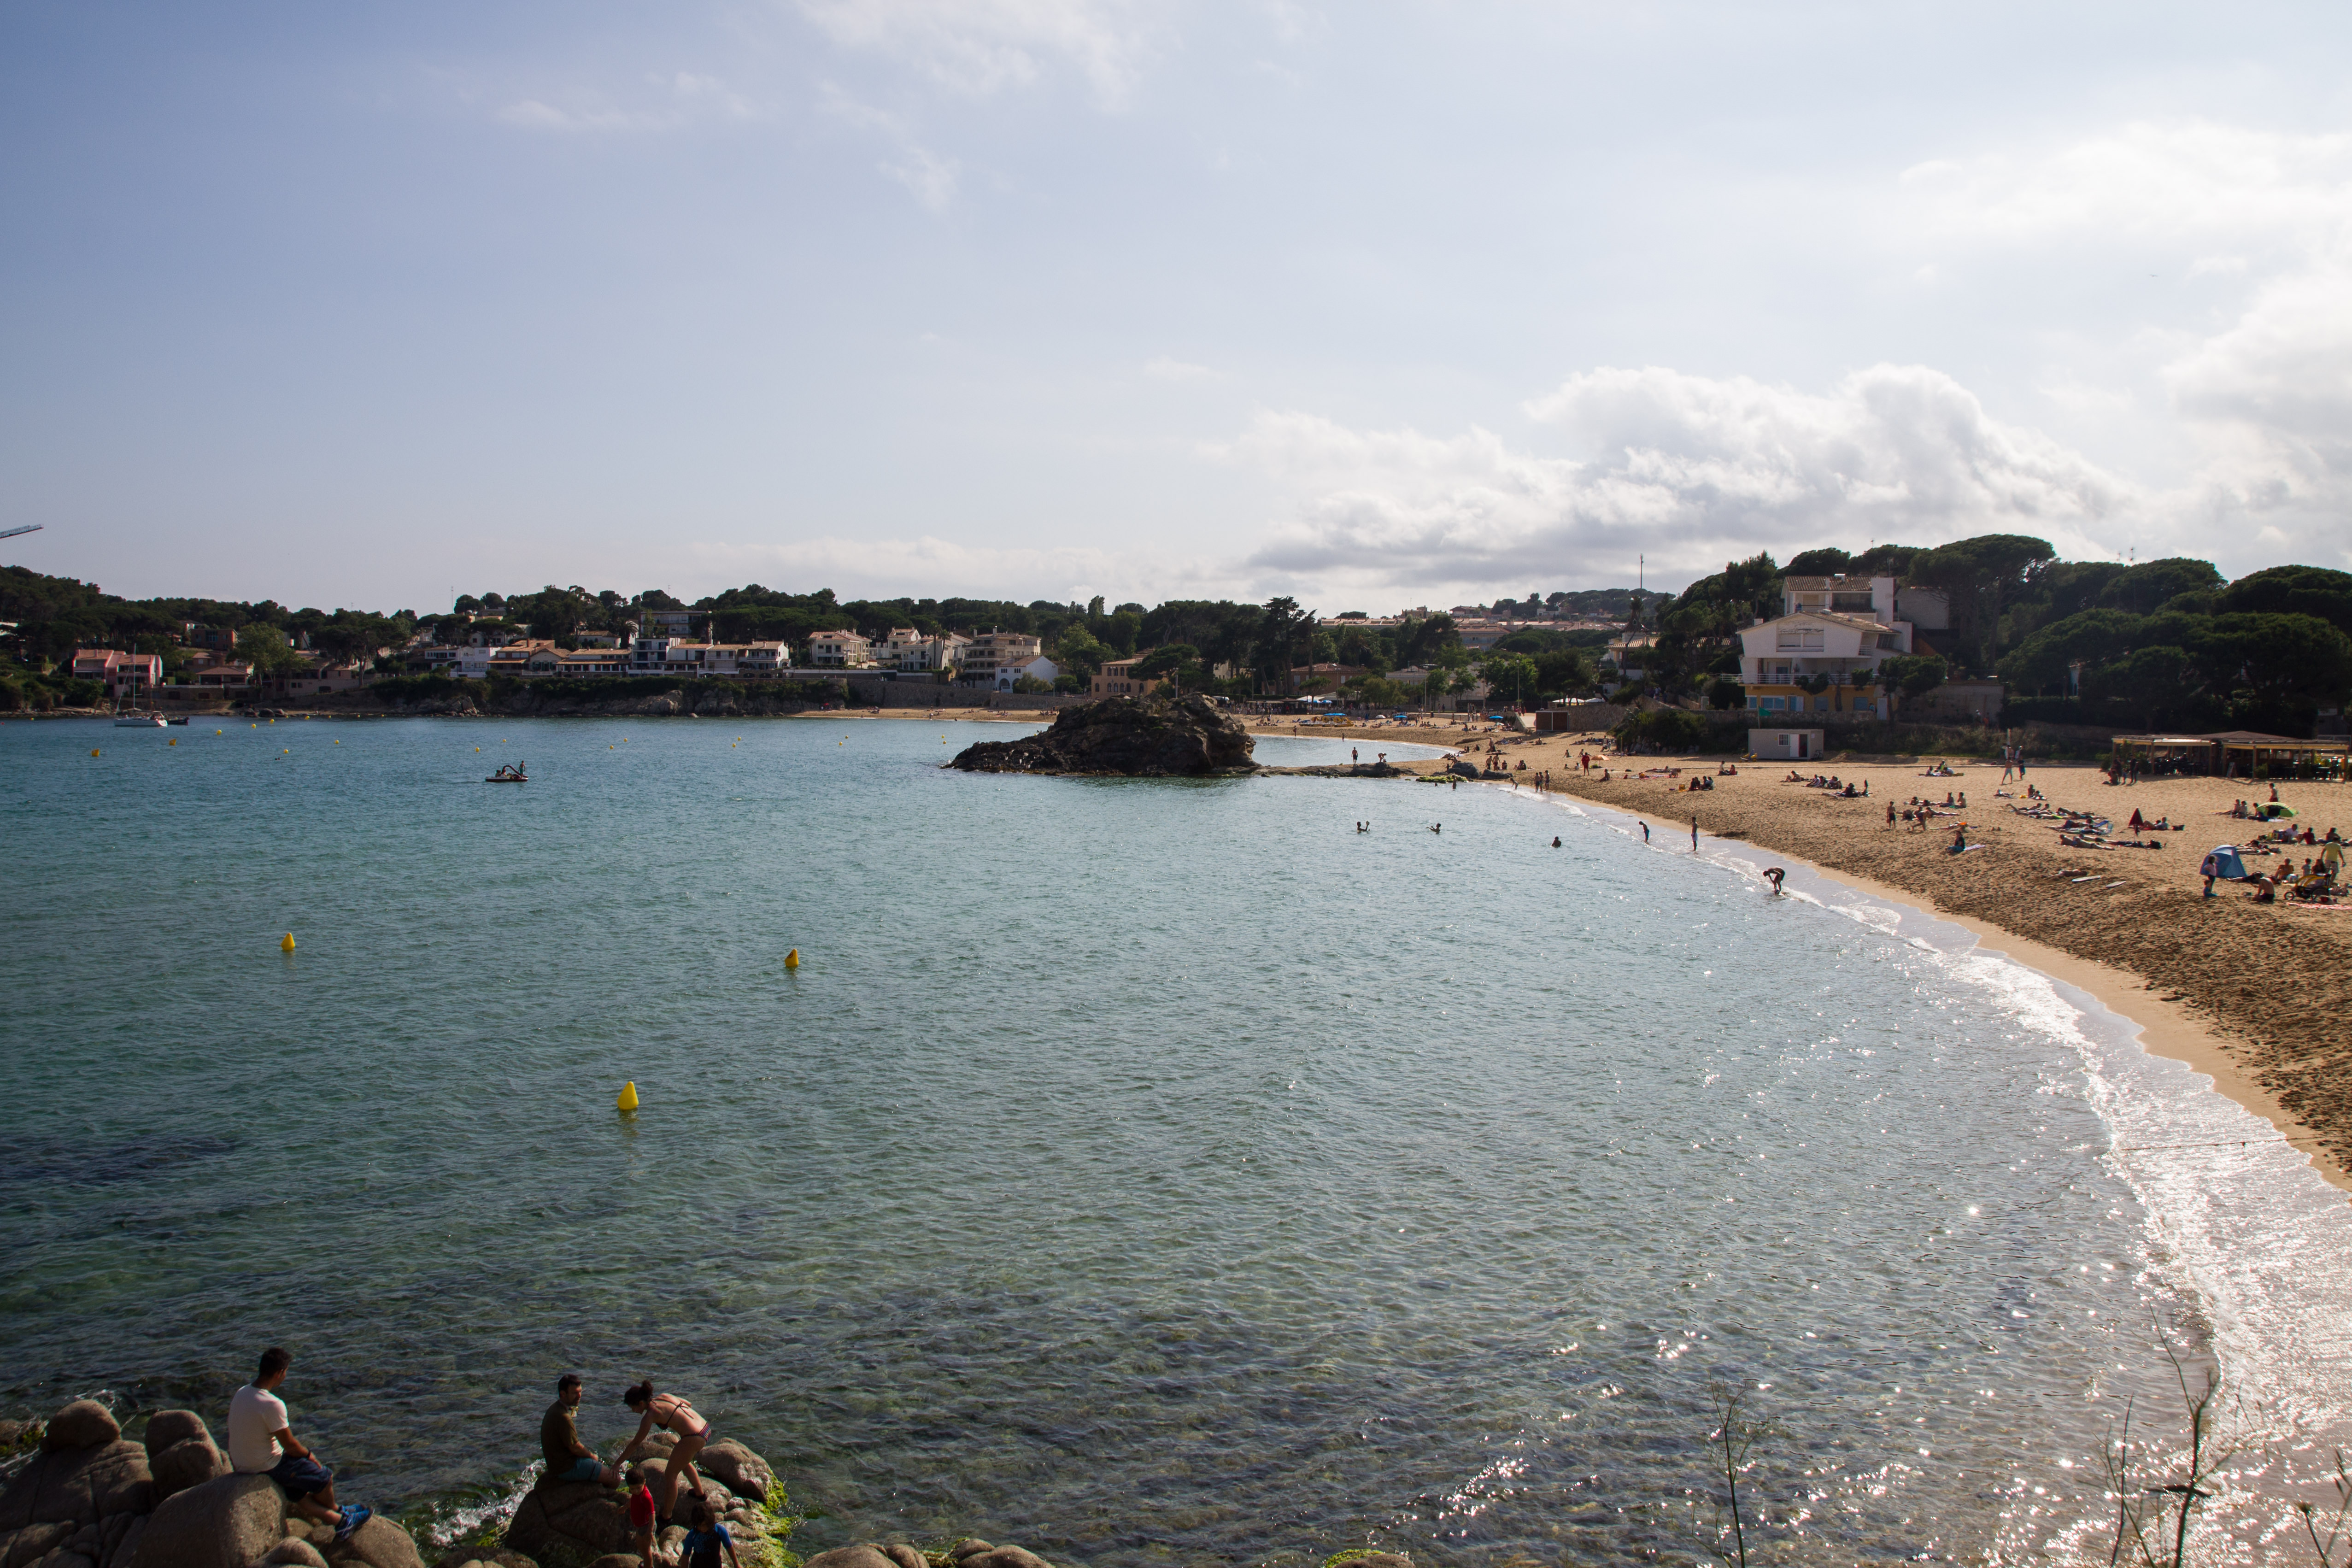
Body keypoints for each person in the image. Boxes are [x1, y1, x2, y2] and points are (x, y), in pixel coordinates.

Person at [228, 1347, 370, 1538]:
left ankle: (340, 1521)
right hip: (265, 1464)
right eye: (286, 1371)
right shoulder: (272, 1404)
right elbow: (290, 1446)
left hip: (241, 1462)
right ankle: (341, 1513)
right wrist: (310, 1455)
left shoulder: (242, 1392)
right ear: (279, 1373)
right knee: (324, 1477)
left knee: (300, 1494)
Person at [619, 1382, 714, 1524]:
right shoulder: (664, 1396)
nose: (633, 1411)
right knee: (683, 1461)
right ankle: (700, 1494)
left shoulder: (650, 1416)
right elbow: (688, 1404)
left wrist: (617, 1464)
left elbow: (635, 1443)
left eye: (633, 1407)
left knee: (670, 1475)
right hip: (705, 1428)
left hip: (694, 1437)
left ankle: (666, 1517)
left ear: (641, 1403)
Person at [544, 1375, 620, 1488]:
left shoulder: (556, 1408)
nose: (579, 1396)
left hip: (557, 1465)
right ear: (563, 1394)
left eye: (580, 1392)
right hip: (566, 1467)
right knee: (615, 1479)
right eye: (575, 1393)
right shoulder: (563, 1417)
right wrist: (592, 1456)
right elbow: (575, 1446)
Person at [680, 1498, 742, 1568]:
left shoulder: (720, 1531)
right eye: (699, 1525)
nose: (702, 1528)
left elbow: (729, 1547)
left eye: (704, 1525)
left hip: (715, 1566)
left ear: (710, 1521)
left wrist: (737, 1564)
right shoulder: (692, 1535)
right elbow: (686, 1556)